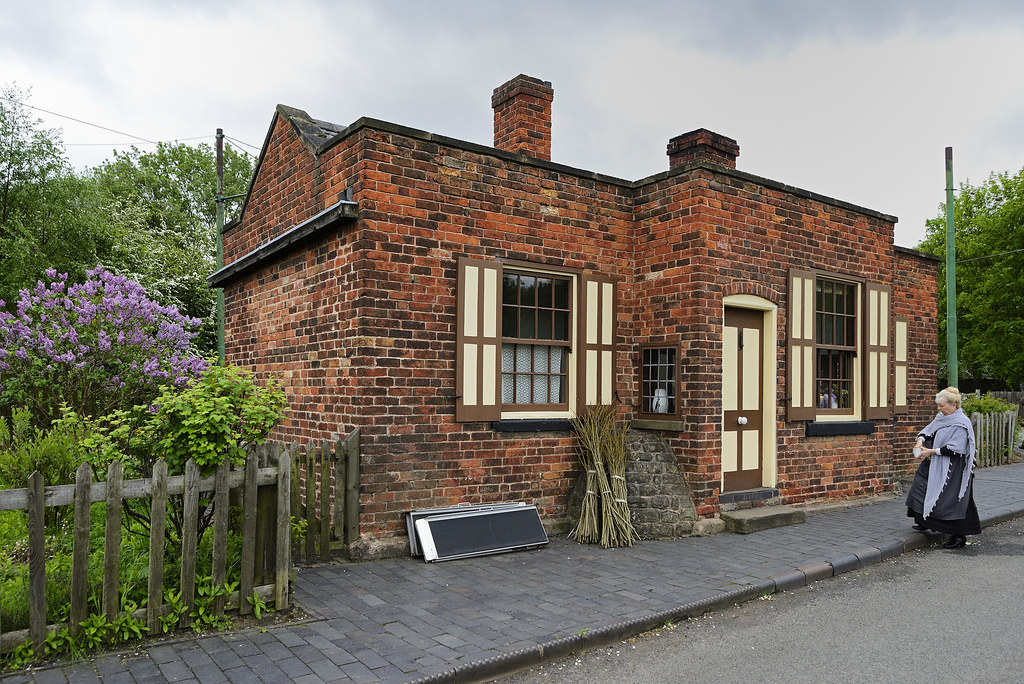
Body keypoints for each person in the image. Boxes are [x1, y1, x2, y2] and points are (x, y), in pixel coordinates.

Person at [905, 387, 980, 549]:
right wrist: (920, 441)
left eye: (942, 406)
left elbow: (956, 448)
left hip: (953, 469)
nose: (939, 409)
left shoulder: (962, 423)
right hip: (933, 462)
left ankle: (958, 537)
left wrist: (930, 451)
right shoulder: (941, 417)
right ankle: (924, 520)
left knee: (951, 501)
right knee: (920, 488)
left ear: (954, 405)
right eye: (938, 405)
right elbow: (928, 431)